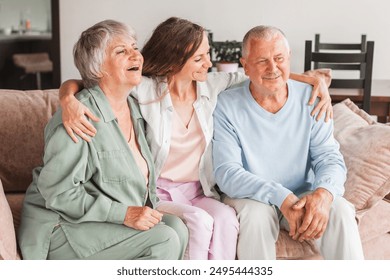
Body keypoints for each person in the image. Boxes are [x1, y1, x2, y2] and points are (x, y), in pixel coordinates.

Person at [58, 17, 333, 260]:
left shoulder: (212, 85)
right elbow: (91, 81)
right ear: (178, 60)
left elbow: (260, 72)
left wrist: (312, 80)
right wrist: (66, 98)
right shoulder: (145, 89)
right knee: (199, 221)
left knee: (226, 219)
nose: (210, 63)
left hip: (199, 190)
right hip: (158, 191)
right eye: (200, 58)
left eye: (208, 54)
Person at [18, 19, 188, 260]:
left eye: (134, 47)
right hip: (62, 227)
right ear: (98, 68)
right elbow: (59, 193)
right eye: (122, 51)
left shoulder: (134, 106)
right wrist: (124, 214)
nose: (135, 55)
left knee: (176, 227)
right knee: (163, 239)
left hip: (98, 222)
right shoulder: (79, 117)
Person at [212, 25, 364, 260]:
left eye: (279, 58)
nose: (273, 68)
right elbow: (227, 172)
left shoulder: (312, 98)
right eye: (262, 60)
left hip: (303, 192)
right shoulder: (226, 104)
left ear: (289, 57)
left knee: (341, 210)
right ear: (245, 64)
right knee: (255, 217)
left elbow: (329, 157)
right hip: (250, 196)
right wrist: (280, 196)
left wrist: (324, 193)